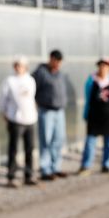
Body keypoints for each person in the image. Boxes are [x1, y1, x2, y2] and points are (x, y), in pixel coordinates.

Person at [0, 55, 38, 188]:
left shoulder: (30, 80)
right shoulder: (9, 81)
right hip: (15, 119)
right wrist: (5, 113)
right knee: (13, 149)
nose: (18, 67)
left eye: (21, 65)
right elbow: (2, 99)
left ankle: (29, 174)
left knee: (29, 148)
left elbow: (32, 98)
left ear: (25, 67)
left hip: (30, 119)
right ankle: (11, 176)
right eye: (16, 65)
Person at [78, 57, 109, 175]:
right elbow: (88, 96)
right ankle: (86, 165)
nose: (103, 68)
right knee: (90, 142)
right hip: (94, 117)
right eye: (101, 65)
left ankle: (106, 164)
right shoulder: (92, 80)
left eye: (106, 65)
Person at [32, 49, 69, 181]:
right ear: (51, 59)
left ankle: (56, 167)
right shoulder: (40, 73)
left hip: (59, 111)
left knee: (58, 139)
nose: (58, 64)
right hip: (46, 111)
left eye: (60, 62)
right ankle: (45, 169)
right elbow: (32, 88)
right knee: (45, 140)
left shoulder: (59, 74)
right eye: (56, 61)